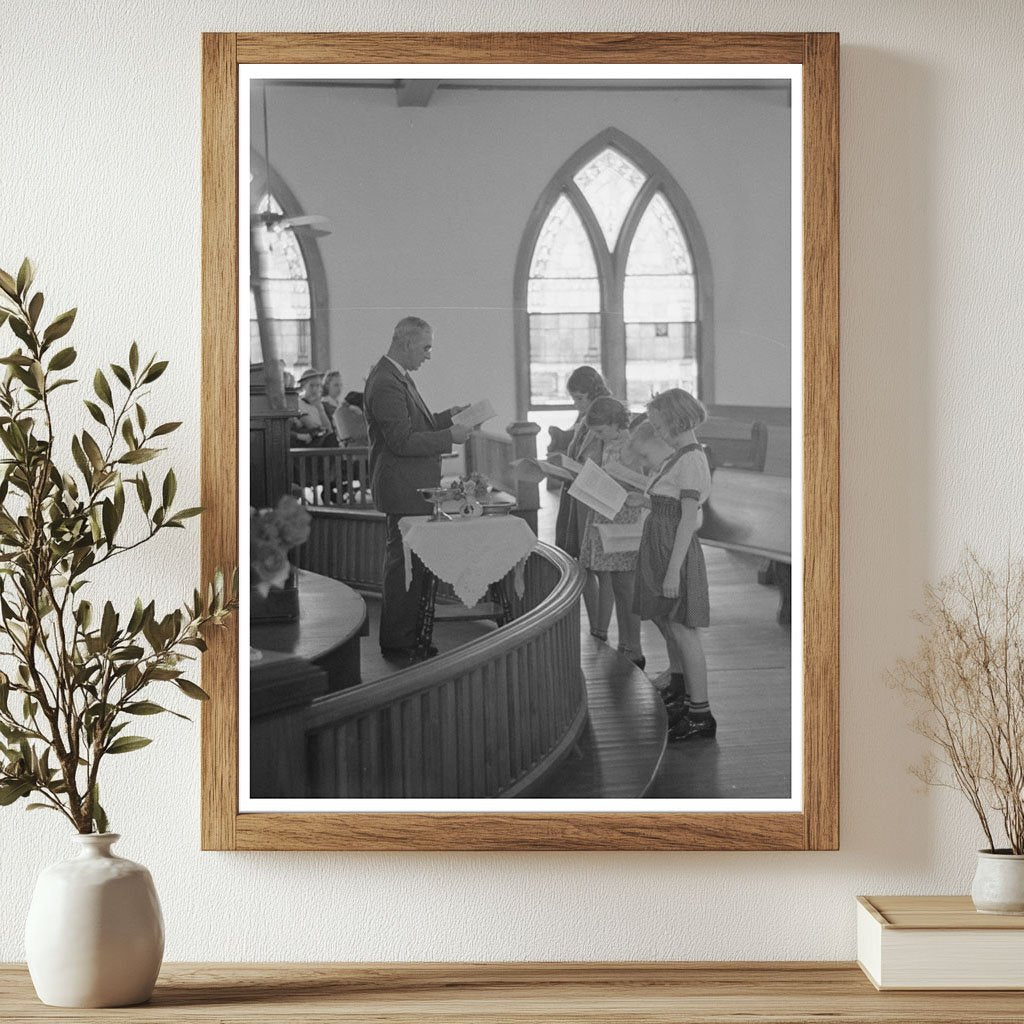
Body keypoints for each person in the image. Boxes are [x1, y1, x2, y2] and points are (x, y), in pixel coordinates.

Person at [363, 317, 472, 661]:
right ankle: (399, 640)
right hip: (402, 486)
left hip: (410, 484)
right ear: (407, 343)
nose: (428, 355)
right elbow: (401, 441)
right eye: (425, 347)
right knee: (403, 566)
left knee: (411, 564)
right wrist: (448, 437)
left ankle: (409, 635)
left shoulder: (397, 376)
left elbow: (415, 424)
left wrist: (447, 417)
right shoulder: (386, 381)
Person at [633, 388, 715, 741]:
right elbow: (667, 504)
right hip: (660, 543)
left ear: (678, 421)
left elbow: (686, 520)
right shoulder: (676, 456)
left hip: (674, 551)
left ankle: (701, 713)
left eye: (660, 425)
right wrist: (644, 500)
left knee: (684, 629)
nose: (658, 432)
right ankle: (682, 693)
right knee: (668, 622)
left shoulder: (692, 459)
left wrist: (671, 572)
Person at [577, 397, 646, 668]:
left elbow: (641, 482)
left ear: (617, 423)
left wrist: (615, 480)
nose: (598, 436)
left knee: (627, 587)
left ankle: (634, 646)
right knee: (618, 585)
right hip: (607, 512)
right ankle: (625, 644)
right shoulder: (609, 442)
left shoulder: (632, 445)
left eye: (601, 431)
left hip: (625, 518)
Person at [552, 365, 610, 638]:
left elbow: (602, 459)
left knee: (597, 564)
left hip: (594, 498)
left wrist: (573, 467)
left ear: (593, 393)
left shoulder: (605, 418)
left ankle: (601, 627)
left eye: (579, 398)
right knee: (581, 561)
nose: (576, 404)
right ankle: (596, 627)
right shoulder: (584, 418)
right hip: (577, 495)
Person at [290, 368, 334, 446]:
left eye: (318, 385)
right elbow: (312, 426)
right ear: (304, 386)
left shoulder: (323, 405)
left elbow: (329, 430)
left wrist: (320, 409)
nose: (315, 389)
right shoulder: (299, 404)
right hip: (309, 443)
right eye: (311, 385)